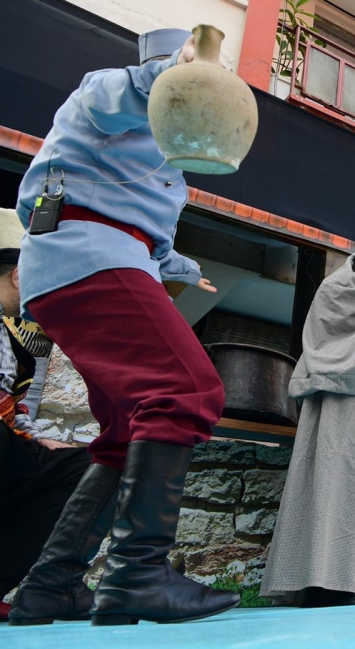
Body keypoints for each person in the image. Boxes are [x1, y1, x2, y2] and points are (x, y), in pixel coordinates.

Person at [8, 29, 240, 627]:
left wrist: (183, 266)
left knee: (121, 430)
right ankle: (137, 574)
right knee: (187, 390)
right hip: (85, 254)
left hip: (95, 260)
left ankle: (49, 585)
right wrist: (177, 68)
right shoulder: (109, 93)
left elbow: (148, 230)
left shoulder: (170, 154)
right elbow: (127, 95)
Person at [261, 239, 355, 607]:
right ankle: (315, 580)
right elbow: (326, 333)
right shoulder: (336, 288)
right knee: (324, 488)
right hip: (332, 403)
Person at [0, 247, 91, 622]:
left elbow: (16, 399)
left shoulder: (20, 335)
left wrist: (35, 437)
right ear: (19, 275)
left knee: (84, 467)